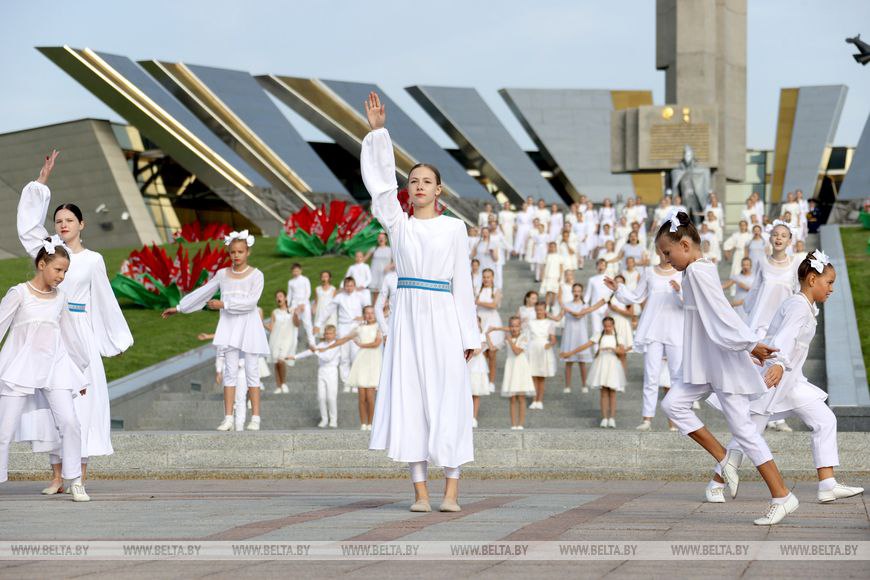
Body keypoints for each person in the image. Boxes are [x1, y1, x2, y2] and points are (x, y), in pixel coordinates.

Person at [362, 92, 477, 513]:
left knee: (449, 396)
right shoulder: (399, 225)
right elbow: (379, 187)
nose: (419, 186)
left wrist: (469, 333)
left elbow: (462, 283)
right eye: (413, 181)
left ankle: (451, 490)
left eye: (426, 181)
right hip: (409, 318)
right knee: (410, 396)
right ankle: (420, 493)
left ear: (439, 189)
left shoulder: (454, 229)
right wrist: (378, 135)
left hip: (444, 317)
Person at [656, 210, 798, 526]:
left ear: (684, 244)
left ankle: (782, 495)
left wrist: (749, 345)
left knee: (745, 431)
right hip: (704, 364)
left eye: (668, 252)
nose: (667, 260)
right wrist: (747, 344)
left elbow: (722, 315)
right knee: (673, 404)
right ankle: (724, 458)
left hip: (719, 364)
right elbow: (716, 316)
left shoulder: (696, 272)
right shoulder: (694, 271)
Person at [703, 251, 864, 505]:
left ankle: (827, 484)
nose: (832, 288)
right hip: (773, 381)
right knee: (748, 435)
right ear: (812, 279)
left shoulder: (804, 305)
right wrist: (777, 364)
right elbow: (784, 338)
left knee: (825, 420)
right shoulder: (798, 306)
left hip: (792, 382)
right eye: (829, 282)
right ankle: (715, 484)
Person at [17, 151, 133, 490]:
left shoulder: (94, 260)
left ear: (82, 224)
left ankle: (78, 474)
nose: (63, 225)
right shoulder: (48, 252)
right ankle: (56, 475)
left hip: (80, 336)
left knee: (82, 403)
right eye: (58, 221)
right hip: (52, 334)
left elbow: (104, 302)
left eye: (69, 220)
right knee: (53, 402)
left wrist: (115, 340)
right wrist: (41, 183)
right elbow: (26, 228)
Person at [0, 243, 90, 501]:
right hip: (20, 367)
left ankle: (75, 480)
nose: (62, 277)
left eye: (65, 272)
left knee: (70, 422)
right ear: (42, 264)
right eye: (58, 270)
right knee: (4, 428)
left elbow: (70, 336)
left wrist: (80, 372)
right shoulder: (19, 293)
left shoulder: (60, 297)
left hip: (55, 367)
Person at [163, 230, 269, 431]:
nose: (236, 256)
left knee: (252, 371)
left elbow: (251, 302)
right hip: (229, 327)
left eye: (240, 252)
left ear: (248, 252)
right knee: (229, 372)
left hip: (249, 326)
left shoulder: (257, 275)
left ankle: (255, 417)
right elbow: (203, 292)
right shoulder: (222, 275)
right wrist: (179, 308)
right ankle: (228, 417)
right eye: (232, 252)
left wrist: (224, 304)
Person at [607, 248, 684, 431]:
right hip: (653, 329)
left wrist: (680, 291)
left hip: (675, 329)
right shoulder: (649, 272)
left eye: (669, 251)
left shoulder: (682, 272)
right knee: (651, 376)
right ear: (658, 252)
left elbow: (690, 301)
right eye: (663, 251)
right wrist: (618, 288)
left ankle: (677, 421)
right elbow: (636, 296)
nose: (666, 255)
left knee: (676, 376)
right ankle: (647, 419)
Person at [287, 326, 356, 428]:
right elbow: (309, 352)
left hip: (332, 371)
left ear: (334, 334)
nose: (328, 336)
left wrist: (316, 351)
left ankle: (333, 419)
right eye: (326, 333)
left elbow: (327, 357)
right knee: (321, 397)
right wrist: (295, 357)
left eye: (330, 333)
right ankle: (324, 419)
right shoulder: (321, 344)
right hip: (322, 371)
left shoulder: (336, 345)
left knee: (331, 397)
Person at [314, 277, 368, 390]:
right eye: (347, 285)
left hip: (356, 327)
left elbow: (368, 309)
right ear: (344, 286)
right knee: (344, 356)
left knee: (356, 354)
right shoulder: (339, 297)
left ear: (354, 285)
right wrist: (318, 324)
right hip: (343, 326)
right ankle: (346, 382)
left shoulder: (360, 296)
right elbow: (328, 310)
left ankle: (355, 382)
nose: (349, 288)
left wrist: (363, 318)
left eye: (351, 285)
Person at [555, 283, 602, 394]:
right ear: (572, 292)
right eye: (574, 291)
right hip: (569, 335)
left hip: (581, 335)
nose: (576, 293)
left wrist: (565, 307)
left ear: (581, 292)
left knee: (582, 362)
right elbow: (558, 318)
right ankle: (567, 386)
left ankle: (584, 385)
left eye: (578, 291)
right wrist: (547, 314)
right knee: (568, 362)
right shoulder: (566, 304)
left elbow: (578, 316)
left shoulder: (585, 306)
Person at [490, 316, 533, 430]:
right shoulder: (507, 339)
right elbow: (493, 348)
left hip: (521, 367)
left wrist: (509, 340)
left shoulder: (524, 338)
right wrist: (487, 335)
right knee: (512, 398)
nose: (514, 329)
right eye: (512, 326)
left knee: (521, 397)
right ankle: (513, 424)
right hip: (511, 367)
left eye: (516, 326)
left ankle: (520, 424)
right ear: (509, 327)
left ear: (520, 327)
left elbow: (517, 351)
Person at [346, 305, 383, 431]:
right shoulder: (359, 328)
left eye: (372, 313)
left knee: (370, 396)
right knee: (362, 396)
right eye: (367, 313)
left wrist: (361, 344)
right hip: (361, 361)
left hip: (373, 362)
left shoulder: (379, 327)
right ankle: (363, 423)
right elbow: (348, 335)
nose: (370, 315)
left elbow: (377, 343)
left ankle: (371, 423)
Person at [585, 316, 626, 428]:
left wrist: (614, 349)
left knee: (612, 392)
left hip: (613, 364)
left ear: (613, 326)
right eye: (605, 326)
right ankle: (604, 418)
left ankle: (612, 418)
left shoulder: (618, 337)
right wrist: (570, 353)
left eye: (609, 326)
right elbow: (586, 345)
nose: (607, 328)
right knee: (603, 392)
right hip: (602, 364)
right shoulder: (599, 335)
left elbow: (622, 351)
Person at [475, 269, 503, 392]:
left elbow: (494, 305)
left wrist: (478, 302)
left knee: (492, 353)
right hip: (480, 321)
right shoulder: (477, 290)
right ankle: (483, 380)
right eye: (484, 277)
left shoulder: (496, 291)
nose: (486, 279)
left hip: (492, 322)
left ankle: (491, 382)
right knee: (482, 352)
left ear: (492, 278)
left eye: (488, 277)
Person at [526, 303, 556, 410]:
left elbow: (553, 339)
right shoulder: (531, 322)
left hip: (544, 349)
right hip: (533, 348)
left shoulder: (549, 323)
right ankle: (534, 400)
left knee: (541, 376)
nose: (539, 312)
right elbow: (527, 337)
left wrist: (550, 344)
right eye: (537, 310)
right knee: (533, 375)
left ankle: (540, 400)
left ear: (545, 310)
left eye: (541, 310)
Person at [266, 290, 295, 394]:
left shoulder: (291, 310)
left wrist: (295, 314)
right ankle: (278, 386)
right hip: (275, 339)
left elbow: (297, 323)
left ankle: (283, 383)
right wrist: (260, 322)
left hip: (287, 339)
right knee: (276, 363)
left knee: (281, 360)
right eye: (277, 296)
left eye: (281, 296)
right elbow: (271, 328)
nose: (279, 298)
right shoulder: (274, 312)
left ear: (285, 298)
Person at [287, 263, 316, 348]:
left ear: (300, 270)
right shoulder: (290, 282)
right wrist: (287, 305)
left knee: (307, 323)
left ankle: (312, 342)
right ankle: (294, 342)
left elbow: (308, 292)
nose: (295, 272)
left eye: (297, 270)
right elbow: (289, 294)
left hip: (304, 303)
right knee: (294, 323)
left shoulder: (305, 279)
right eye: (294, 271)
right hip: (294, 304)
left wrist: (303, 304)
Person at [366, 232, 393, 304]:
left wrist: (390, 266)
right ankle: (374, 313)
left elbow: (397, 262)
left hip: (385, 275)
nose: (381, 239)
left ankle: (385, 313)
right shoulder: (374, 249)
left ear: (386, 239)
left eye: (382, 238)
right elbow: (364, 259)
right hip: (375, 274)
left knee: (385, 295)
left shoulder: (390, 250)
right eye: (379, 238)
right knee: (375, 296)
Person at [312, 270, 337, 339]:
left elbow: (334, 303)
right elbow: (316, 301)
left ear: (329, 278)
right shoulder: (317, 289)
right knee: (321, 333)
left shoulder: (333, 289)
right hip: (320, 311)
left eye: (326, 276)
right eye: (322, 277)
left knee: (330, 332)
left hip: (330, 313)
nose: (324, 278)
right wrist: (314, 309)